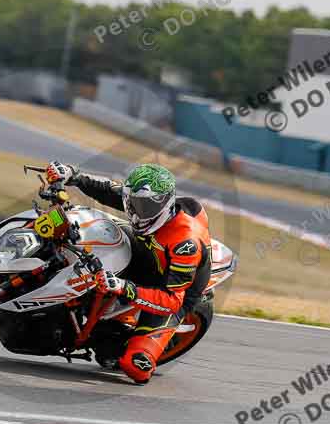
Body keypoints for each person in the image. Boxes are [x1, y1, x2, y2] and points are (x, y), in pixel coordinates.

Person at [46, 161, 212, 384]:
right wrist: (73, 175)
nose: (136, 214)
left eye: (143, 208)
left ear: (165, 205)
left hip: (170, 289)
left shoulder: (185, 244)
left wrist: (124, 287)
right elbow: (108, 190)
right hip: (145, 252)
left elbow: (171, 301)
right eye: (132, 204)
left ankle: (127, 336)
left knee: (134, 366)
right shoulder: (144, 207)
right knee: (82, 233)